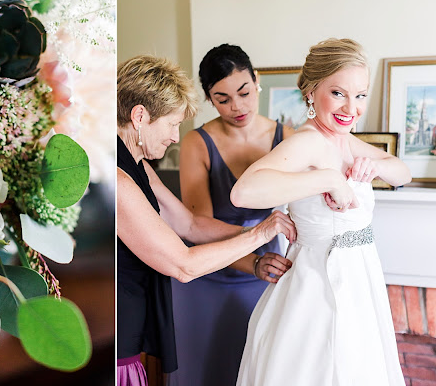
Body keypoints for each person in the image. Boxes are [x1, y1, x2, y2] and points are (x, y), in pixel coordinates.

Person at [231, 38, 411, 386]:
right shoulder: (309, 141)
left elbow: (401, 172)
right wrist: (327, 179)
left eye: (360, 95)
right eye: (339, 93)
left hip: (359, 282)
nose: (352, 107)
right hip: (320, 286)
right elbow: (244, 192)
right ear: (312, 92)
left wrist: (373, 167)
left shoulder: (343, 140)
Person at [116, 54, 297, 386]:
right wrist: (259, 235)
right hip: (119, 332)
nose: (174, 136)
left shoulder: (137, 164)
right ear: (140, 116)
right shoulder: (118, 179)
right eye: (172, 123)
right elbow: (183, 264)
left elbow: (190, 225)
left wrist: (258, 248)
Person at [168, 44, 295, 386]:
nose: (237, 106)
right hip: (208, 271)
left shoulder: (288, 138)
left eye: (244, 92)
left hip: (267, 271)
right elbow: (197, 224)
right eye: (222, 98)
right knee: (205, 371)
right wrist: (252, 259)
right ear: (209, 99)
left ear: (257, 81)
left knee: (259, 368)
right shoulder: (197, 142)